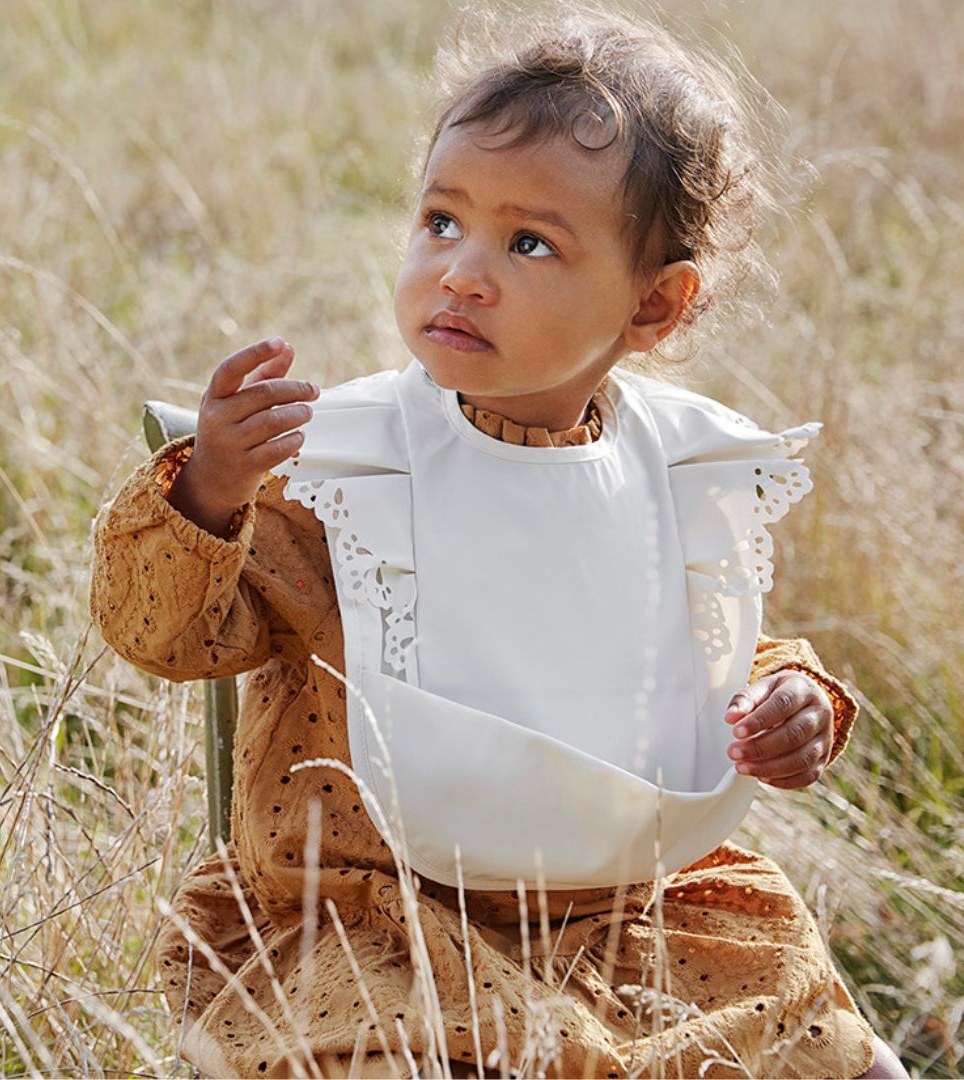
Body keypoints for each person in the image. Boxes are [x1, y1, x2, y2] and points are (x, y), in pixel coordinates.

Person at [89, 7, 907, 1078]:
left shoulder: (669, 468)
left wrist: (791, 698)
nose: (463, 271)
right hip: (374, 919)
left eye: (529, 243)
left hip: (626, 919)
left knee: (825, 1050)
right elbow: (166, 639)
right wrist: (207, 492)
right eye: (440, 221)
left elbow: (687, 658)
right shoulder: (348, 469)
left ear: (655, 305)